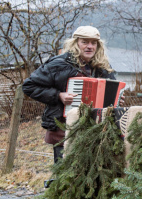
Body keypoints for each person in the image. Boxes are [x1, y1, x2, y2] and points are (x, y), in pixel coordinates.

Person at [22, 26, 117, 163]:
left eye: (93, 43)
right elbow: (29, 86)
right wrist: (58, 95)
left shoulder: (103, 67)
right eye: (85, 42)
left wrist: (117, 98)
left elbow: (112, 90)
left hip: (95, 130)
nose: (90, 46)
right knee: (64, 171)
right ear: (75, 43)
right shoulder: (59, 64)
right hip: (64, 129)